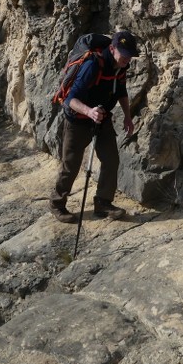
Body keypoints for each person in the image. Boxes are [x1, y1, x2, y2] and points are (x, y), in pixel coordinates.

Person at [50, 30, 138, 223]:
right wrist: (89, 112)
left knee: (111, 159)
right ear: (112, 48)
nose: (127, 59)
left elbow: (121, 90)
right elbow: (70, 99)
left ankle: (103, 203)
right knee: (71, 165)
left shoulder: (121, 66)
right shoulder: (92, 64)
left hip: (102, 118)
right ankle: (57, 204)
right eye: (124, 54)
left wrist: (128, 117)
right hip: (78, 120)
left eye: (130, 55)